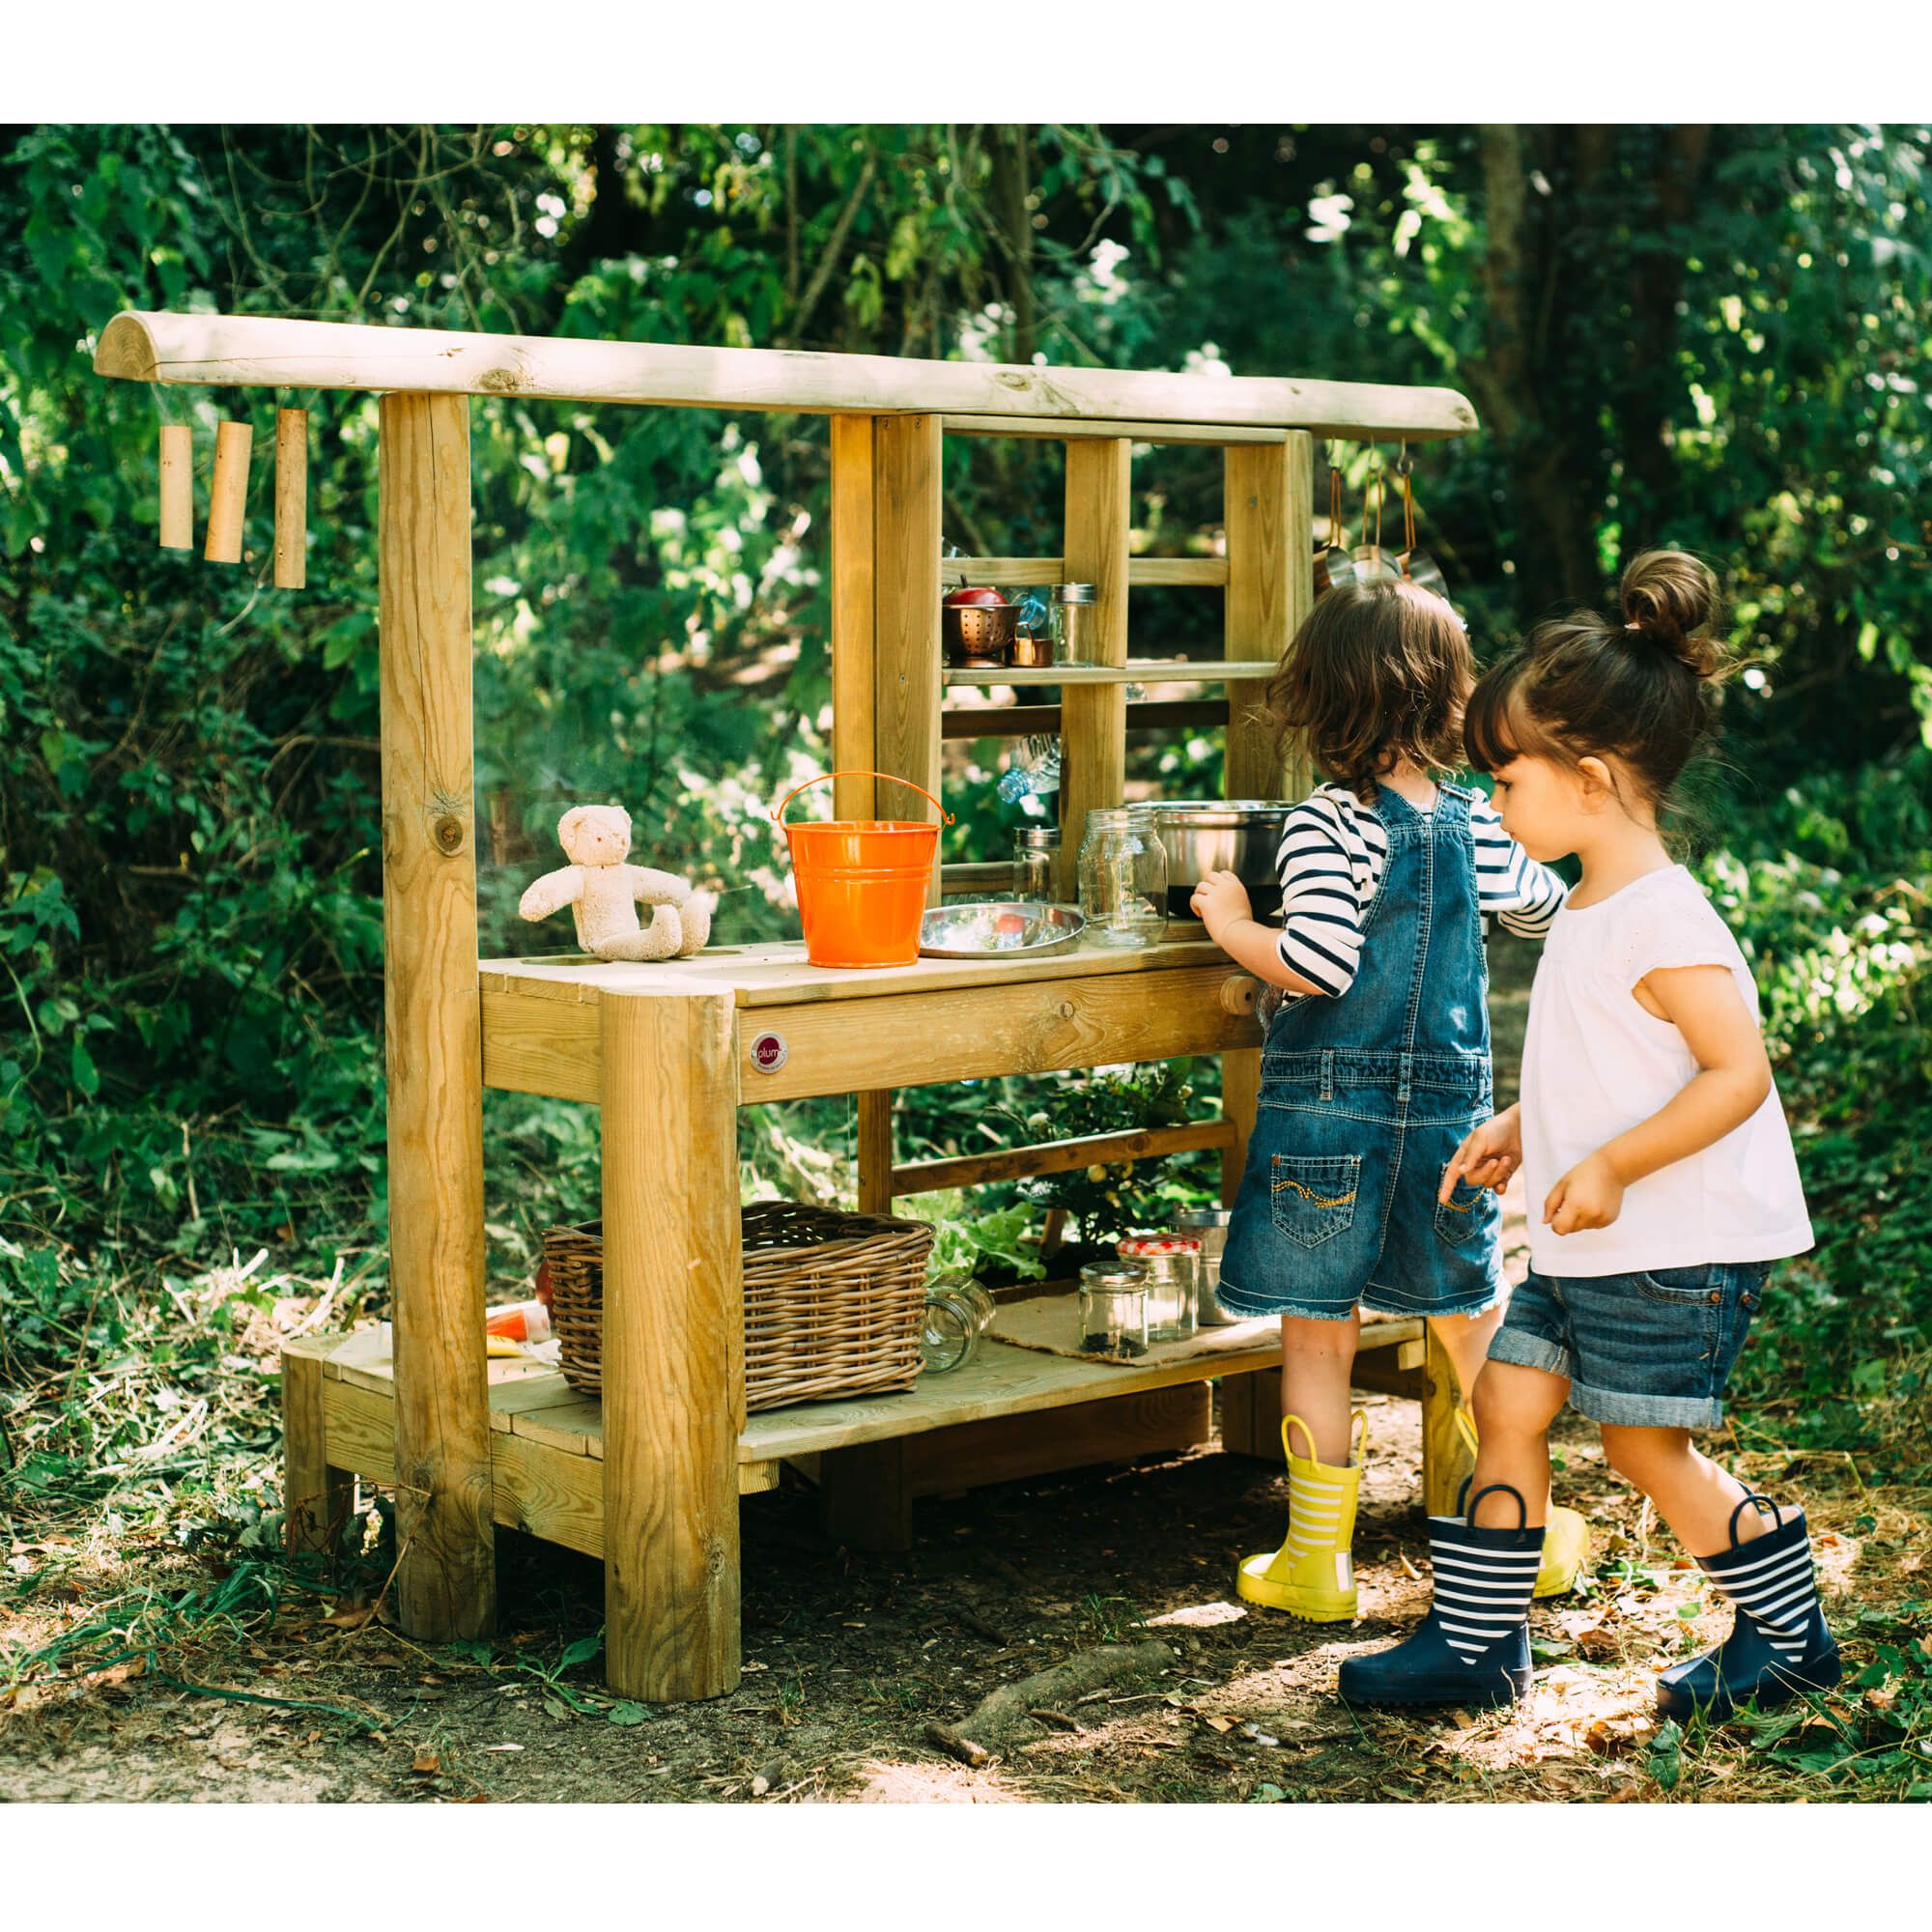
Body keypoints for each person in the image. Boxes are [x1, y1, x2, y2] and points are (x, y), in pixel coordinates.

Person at [1339, 551, 1834, 1719]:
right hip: (1586, 1236)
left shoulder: (1663, 917)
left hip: (1670, 1242)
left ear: (1593, 778)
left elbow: (1735, 1072)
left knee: (1640, 1447)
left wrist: (1608, 1162)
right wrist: (1529, 1124)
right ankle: (1476, 1646)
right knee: (1506, 1405)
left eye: (1504, 780)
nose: (1491, 804)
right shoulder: (1593, 905)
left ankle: (1788, 1630)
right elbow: (1612, 1059)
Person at [1192, 576, 1584, 1626]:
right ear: (1446, 700)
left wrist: (1231, 919)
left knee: (1317, 1331)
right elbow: (1548, 904)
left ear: (1322, 702)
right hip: (1449, 1122)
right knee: (1469, 1316)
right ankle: (1524, 1532)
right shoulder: (1476, 821)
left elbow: (1313, 961)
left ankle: (1314, 1564)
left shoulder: (1325, 824)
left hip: (1327, 1117)